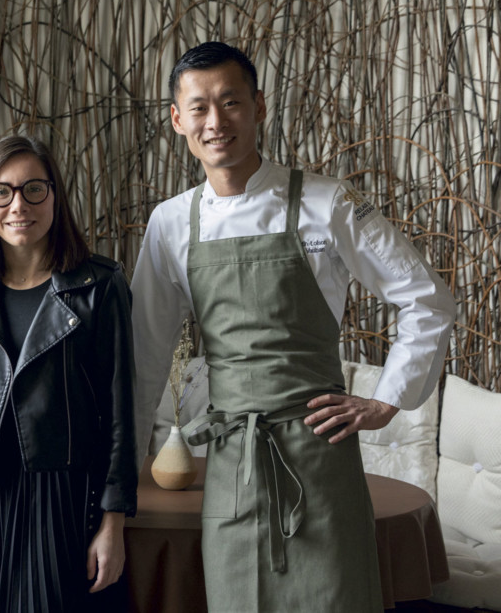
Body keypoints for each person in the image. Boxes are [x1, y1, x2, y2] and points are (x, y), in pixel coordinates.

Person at [131, 41, 456, 611]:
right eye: (199, 108)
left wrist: (387, 400)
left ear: (258, 106)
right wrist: (121, 482)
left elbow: (427, 299)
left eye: (231, 102)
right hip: (231, 467)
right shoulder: (170, 223)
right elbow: (143, 357)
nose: (216, 122)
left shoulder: (328, 203)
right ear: (178, 120)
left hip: (320, 461)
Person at [0, 135, 138, 612]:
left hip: (60, 495)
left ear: (54, 195)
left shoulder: (99, 286)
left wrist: (113, 521)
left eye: (34, 189)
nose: (18, 205)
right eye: (2, 192)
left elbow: (120, 415)